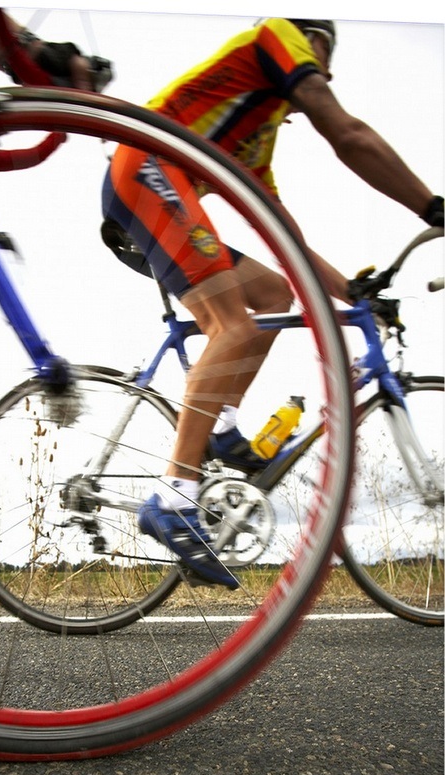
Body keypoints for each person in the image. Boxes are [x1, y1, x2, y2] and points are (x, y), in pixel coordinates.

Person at [101, 16, 443, 587]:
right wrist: (431, 207)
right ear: (307, 38)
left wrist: (355, 294)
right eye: (323, 50)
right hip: (145, 171)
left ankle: (221, 424)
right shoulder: (277, 34)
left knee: (276, 294)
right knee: (232, 326)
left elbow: (290, 246)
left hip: (159, 189)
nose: (325, 69)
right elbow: (349, 135)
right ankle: (174, 496)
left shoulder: (254, 142)